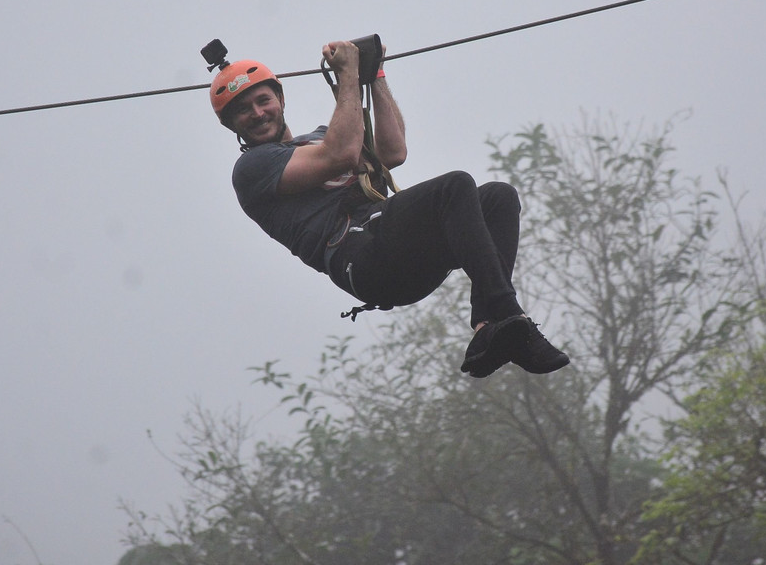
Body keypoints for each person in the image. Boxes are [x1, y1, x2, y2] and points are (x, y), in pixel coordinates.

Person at [209, 38, 569, 378]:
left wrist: (375, 74)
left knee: (498, 197)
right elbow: (342, 154)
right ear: (231, 126)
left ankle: (488, 327)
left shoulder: (322, 135)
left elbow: (393, 152)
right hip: (362, 257)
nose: (257, 113)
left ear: (281, 99)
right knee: (454, 186)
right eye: (243, 111)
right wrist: (348, 75)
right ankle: (510, 315)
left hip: (398, 251)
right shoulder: (253, 169)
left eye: (263, 101)